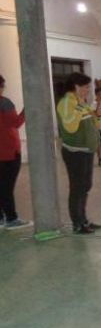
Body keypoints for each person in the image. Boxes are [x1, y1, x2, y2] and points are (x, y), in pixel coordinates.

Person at [56, 72, 101, 235]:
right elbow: (70, 126)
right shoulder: (66, 102)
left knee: (86, 185)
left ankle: (83, 219)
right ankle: (77, 223)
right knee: (78, 187)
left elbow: (94, 123)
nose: (88, 90)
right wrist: (79, 106)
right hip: (75, 152)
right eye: (86, 87)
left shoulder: (80, 102)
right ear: (76, 86)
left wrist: (96, 115)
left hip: (86, 151)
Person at [0, 74, 33, 230]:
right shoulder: (4, 103)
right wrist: (26, 110)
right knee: (7, 187)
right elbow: (15, 122)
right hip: (9, 151)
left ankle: (1, 218)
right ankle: (11, 219)